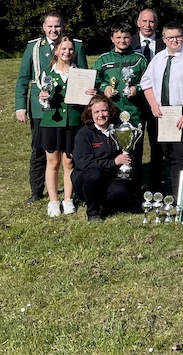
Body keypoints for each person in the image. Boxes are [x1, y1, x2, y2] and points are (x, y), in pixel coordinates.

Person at [15, 11, 87, 205]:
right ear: (44, 27)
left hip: (69, 109)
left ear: (63, 26)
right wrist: (20, 106)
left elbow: (83, 75)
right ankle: (37, 191)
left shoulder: (75, 46)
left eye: (57, 26)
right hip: (41, 109)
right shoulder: (34, 47)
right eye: (50, 26)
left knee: (70, 155)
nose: (54, 29)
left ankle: (73, 193)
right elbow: (23, 77)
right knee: (40, 151)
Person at [140, 22, 183, 198]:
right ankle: (173, 192)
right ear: (164, 39)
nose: (175, 40)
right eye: (170, 37)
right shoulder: (158, 58)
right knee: (167, 154)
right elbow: (146, 83)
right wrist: (153, 104)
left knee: (181, 157)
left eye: (178, 36)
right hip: (162, 113)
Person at [92, 23, 149, 177]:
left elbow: (149, 82)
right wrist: (105, 88)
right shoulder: (103, 60)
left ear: (131, 37)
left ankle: (135, 187)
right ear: (112, 39)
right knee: (112, 150)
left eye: (126, 37)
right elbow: (93, 81)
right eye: (118, 37)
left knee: (134, 151)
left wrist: (136, 88)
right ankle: (113, 187)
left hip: (134, 112)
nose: (122, 40)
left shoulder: (140, 59)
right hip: (111, 112)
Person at [38, 35, 83, 217]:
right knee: (53, 162)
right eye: (63, 49)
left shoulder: (79, 73)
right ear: (56, 51)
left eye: (70, 49)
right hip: (51, 123)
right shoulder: (47, 73)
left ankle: (68, 198)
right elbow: (43, 98)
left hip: (72, 122)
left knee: (69, 162)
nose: (67, 52)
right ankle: (53, 202)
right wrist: (42, 98)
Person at [72, 96, 134, 221]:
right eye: (96, 112)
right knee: (95, 173)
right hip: (86, 177)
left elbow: (127, 154)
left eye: (104, 111)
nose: (101, 115)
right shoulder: (84, 133)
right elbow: (84, 162)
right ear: (91, 114)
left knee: (121, 190)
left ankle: (105, 205)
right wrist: (112, 162)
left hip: (109, 176)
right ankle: (93, 212)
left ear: (110, 111)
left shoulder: (119, 130)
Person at [131, 8, 165, 190]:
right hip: (134, 102)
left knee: (156, 143)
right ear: (138, 23)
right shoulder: (129, 42)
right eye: (144, 21)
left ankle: (155, 182)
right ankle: (134, 182)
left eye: (151, 22)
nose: (147, 25)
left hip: (156, 100)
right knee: (134, 142)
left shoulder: (163, 44)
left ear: (157, 25)